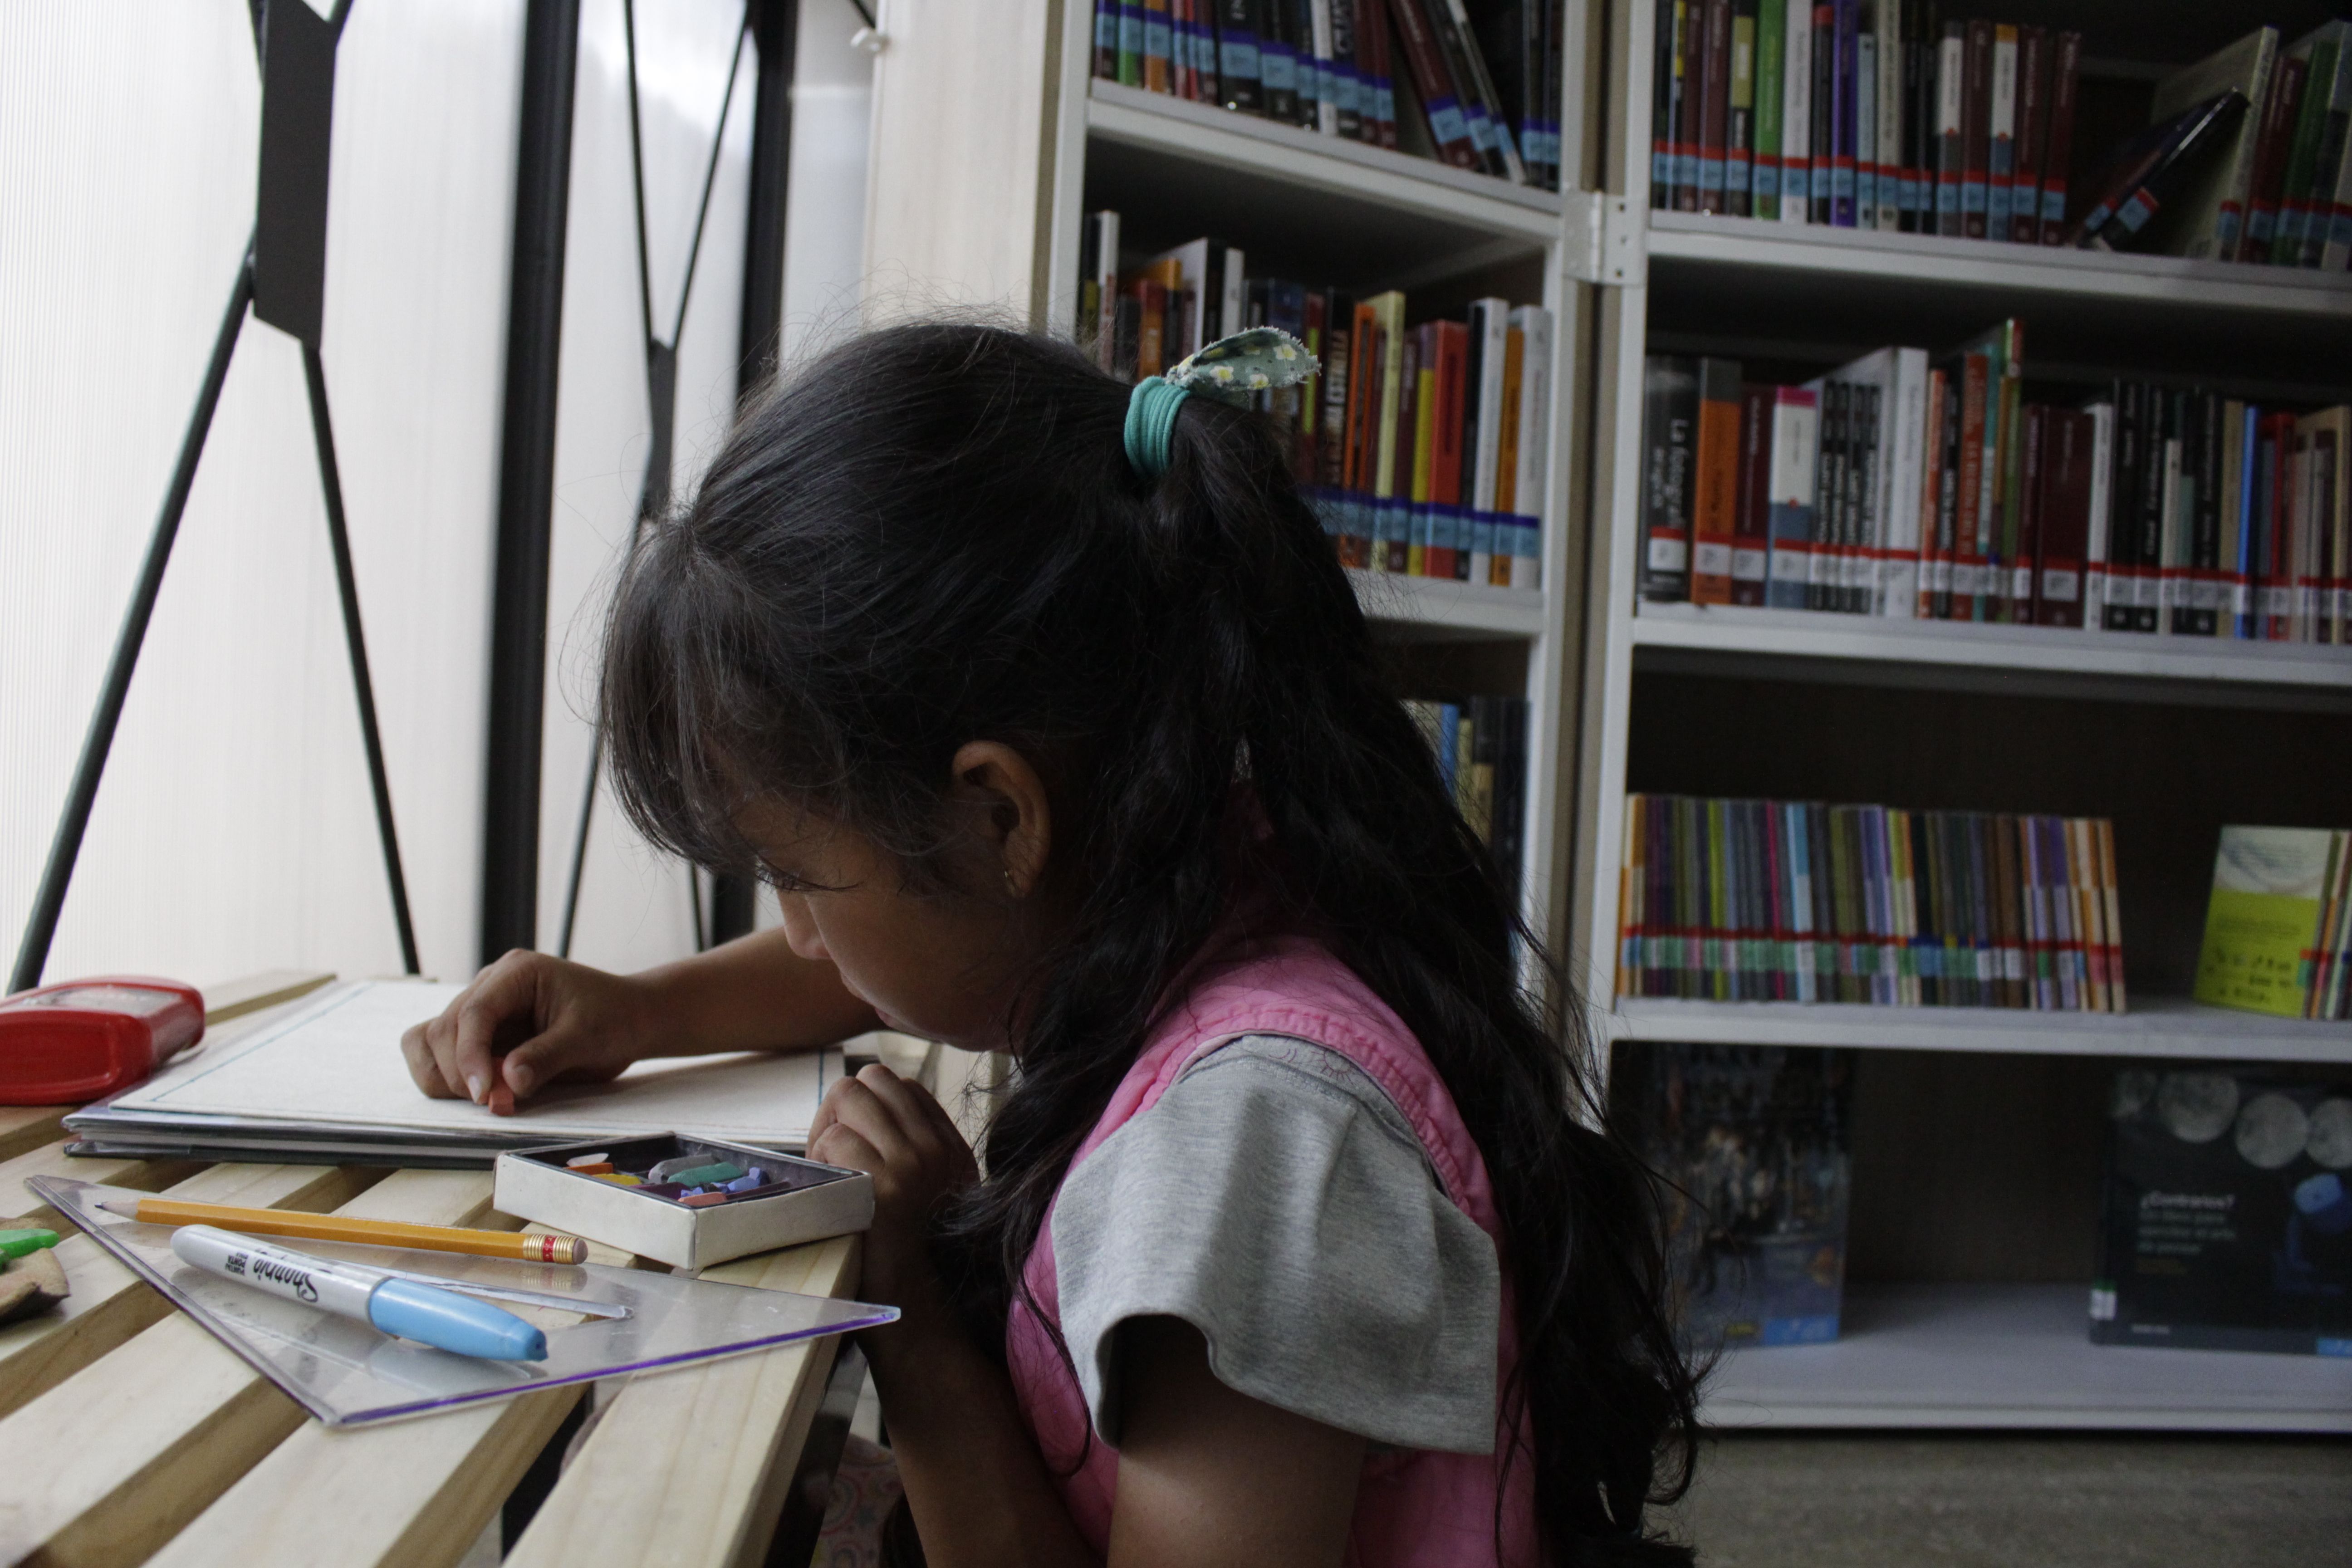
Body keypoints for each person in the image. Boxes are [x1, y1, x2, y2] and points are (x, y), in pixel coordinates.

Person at [401, 323, 1700, 1567]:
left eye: (797, 875)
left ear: (998, 817)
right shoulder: (1207, 858)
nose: (795, 930)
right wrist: (636, 1012)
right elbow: (875, 946)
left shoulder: (1240, 1146)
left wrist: (917, 1313)